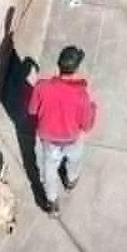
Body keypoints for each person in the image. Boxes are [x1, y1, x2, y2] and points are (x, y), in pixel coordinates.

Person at [27, 46, 99, 215]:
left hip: (49, 140)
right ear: (76, 69)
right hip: (72, 139)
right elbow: (86, 126)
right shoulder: (82, 96)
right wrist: (93, 108)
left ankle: (52, 202)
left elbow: (32, 110)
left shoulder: (41, 87)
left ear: (58, 67)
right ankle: (70, 180)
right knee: (74, 159)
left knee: (49, 171)